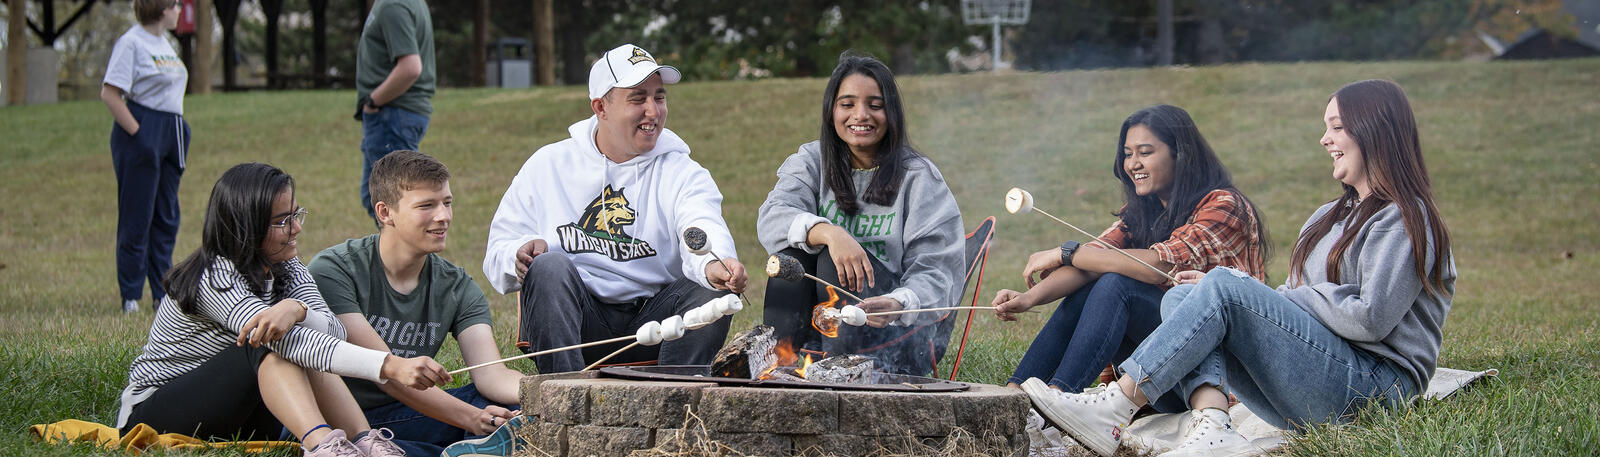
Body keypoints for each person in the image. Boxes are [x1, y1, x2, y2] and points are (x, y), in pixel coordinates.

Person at [1025, 80, 1455, 457]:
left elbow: (1371, 318)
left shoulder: (1404, 217)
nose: (1325, 139)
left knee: (1224, 283)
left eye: (1337, 127)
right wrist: (1256, 294)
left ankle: (1118, 404)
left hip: (1374, 390)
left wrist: (1251, 290)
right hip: (1316, 381)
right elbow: (1294, 297)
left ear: (1376, 130)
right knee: (1182, 294)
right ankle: (1213, 426)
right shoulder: (1327, 217)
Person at [117, 163, 452, 456]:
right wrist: (390, 366)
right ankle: (322, 446)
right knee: (267, 342)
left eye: (295, 214)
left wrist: (297, 308)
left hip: (241, 412)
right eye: (282, 221)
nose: (297, 228)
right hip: (156, 412)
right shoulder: (214, 276)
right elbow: (284, 343)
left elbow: (333, 331)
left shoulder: (287, 265)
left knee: (296, 344)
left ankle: (364, 442)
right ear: (245, 226)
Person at [484, 44, 747, 374]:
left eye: (659, 97)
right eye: (638, 98)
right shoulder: (548, 166)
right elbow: (497, 252)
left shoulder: (683, 172)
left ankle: (676, 404)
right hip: (578, 324)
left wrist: (715, 264)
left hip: (657, 323)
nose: (653, 111)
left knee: (708, 290)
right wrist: (516, 256)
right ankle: (563, 403)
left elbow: (700, 224)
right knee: (549, 267)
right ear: (600, 107)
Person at [993, 105, 1268, 412]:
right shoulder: (1141, 213)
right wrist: (1029, 298)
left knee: (1117, 283)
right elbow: (1093, 260)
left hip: (1215, 380)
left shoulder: (1225, 206)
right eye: (1127, 153)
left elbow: (1158, 266)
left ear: (1181, 153)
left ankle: (1058, 407)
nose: (1133, 163)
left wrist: (1066, 253)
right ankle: (1012, 399)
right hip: (1154, 375)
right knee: (1099, 275)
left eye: (1145, 152)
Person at [756, 54, 965, 376]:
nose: (861, 115)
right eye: (847, 104)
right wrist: (832, 234)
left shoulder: (919, 177)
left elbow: (939, 272)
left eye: (875, 105)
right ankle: (776, 365)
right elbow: (772, 217)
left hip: (892, 331)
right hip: (819, 323)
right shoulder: (812, 160)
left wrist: (899, 303)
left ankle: (841, 374)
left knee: (832, 263)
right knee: (790, 260)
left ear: (891, 112)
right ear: (832, 111)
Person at [310, 151, 525, 456]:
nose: (444, 216)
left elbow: (492, 375)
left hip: (407, 413)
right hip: (338, 421)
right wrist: (473, 419)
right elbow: (386, 374)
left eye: (447, 203)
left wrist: (543, 392)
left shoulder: (458, 287)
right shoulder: (335, 270)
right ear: (385, 213)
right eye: (426, 206)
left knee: (508, 406)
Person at [102, 0, 188, 314]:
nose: (180, 9)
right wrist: (140, 135)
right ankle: (130, 295)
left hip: (172, 131)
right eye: (176, 4)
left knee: (166, 216)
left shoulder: (165, 44)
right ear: (161, 8)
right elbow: (110, 93)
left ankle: (161, 292)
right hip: (142, 131)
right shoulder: (131, 43)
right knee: (137, 216)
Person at [356, 0, 435, 222]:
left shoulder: (394, 5)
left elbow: (411, 67)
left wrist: (373, 101)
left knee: (393, 205)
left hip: (392, 114)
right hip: (394, 114)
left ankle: (406, 257)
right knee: (377, 199)